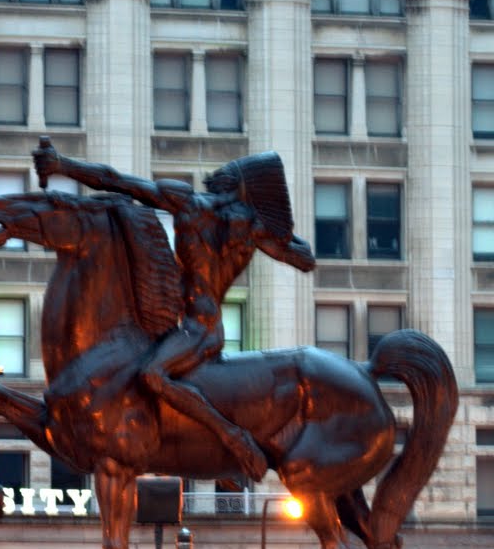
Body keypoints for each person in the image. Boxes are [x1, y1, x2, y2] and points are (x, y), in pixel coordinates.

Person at [33, 141, 315, 481]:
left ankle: (233, 437)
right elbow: (305, 258)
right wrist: (277, 228)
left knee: (152, 375)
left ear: (239, 183)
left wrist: (63, 164)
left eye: (225, 176)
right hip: (173, 326)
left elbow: (117, 180)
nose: (216, 179)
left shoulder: (195, 207)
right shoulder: (232, 220)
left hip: (200, 330)